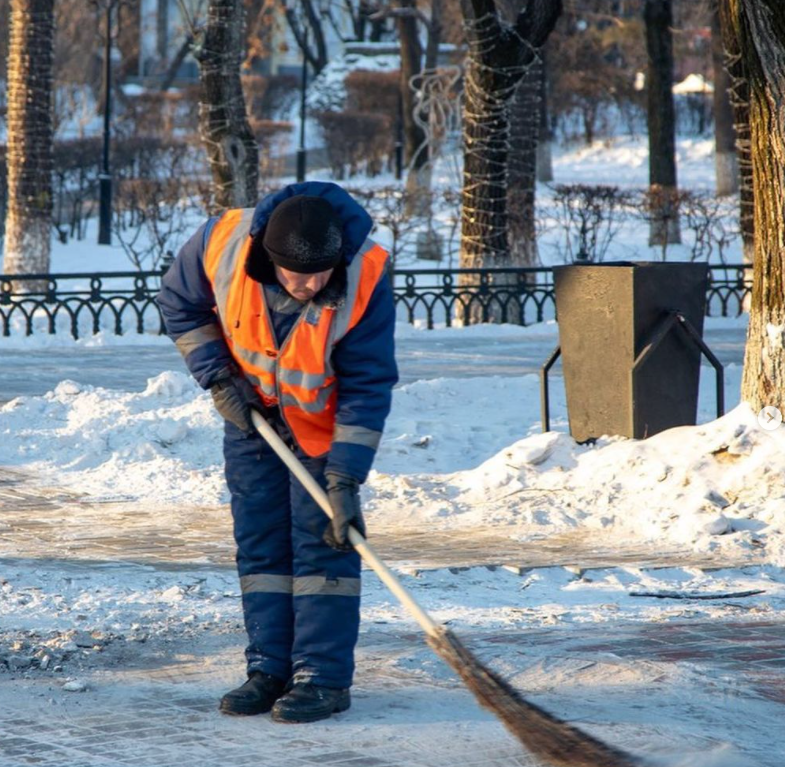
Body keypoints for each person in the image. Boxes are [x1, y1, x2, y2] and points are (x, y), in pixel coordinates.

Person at [156, 181, 398, 723]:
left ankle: (322, 676)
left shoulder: (366, 272)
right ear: (269, 257)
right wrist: (219, 379)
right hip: (251, 420)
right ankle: (269, 667)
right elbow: (179, 301)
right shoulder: (222, 242)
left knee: (324, 545)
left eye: (320, 273)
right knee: (261, 545)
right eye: (296, 273)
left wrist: (344, 479)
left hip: (321, 428)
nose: (310, 284)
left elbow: (368, 383)